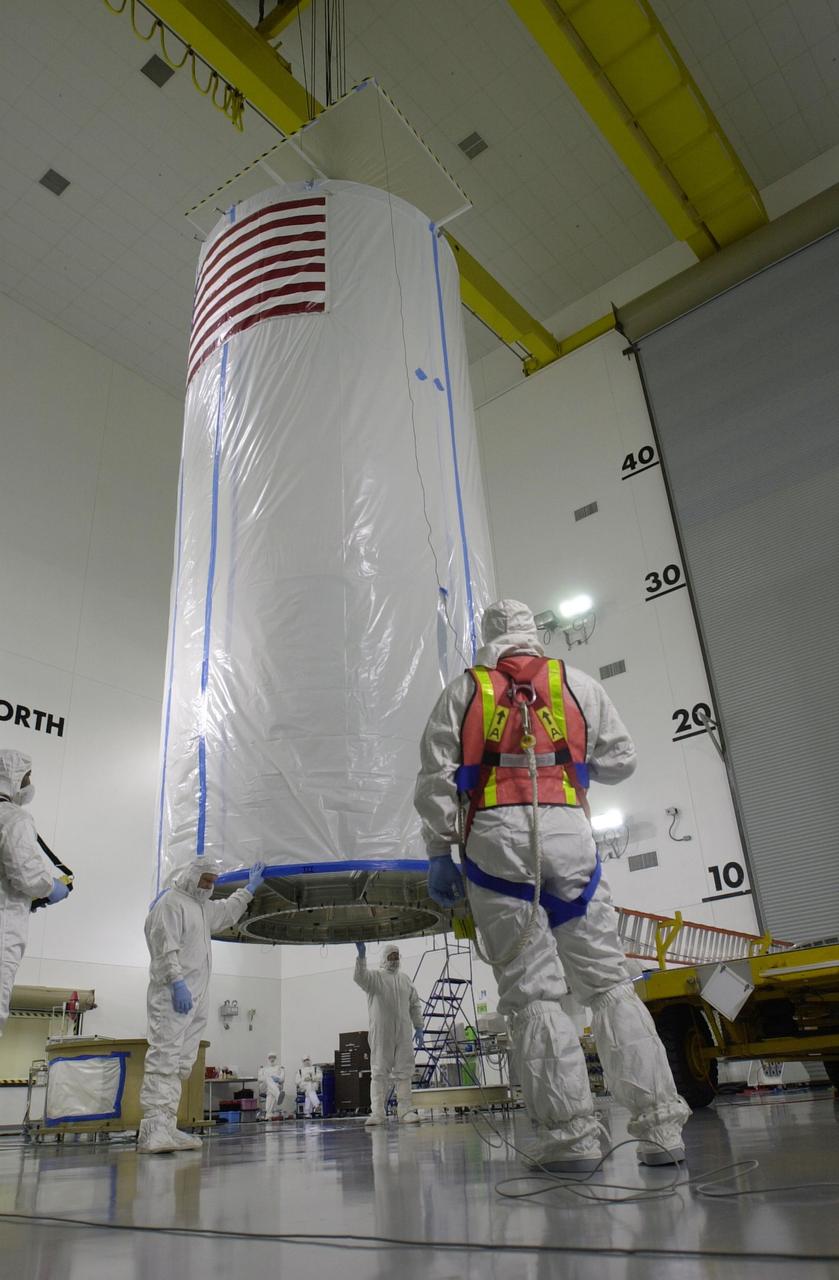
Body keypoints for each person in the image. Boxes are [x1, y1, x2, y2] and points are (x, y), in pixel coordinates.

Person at [414, 599, 690, 1172]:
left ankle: (570, 1140)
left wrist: (440, 852)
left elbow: (436, 779)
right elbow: (622, 762)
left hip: (497, 847)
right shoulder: (577, 685)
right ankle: (661, 1129)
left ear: (488, 638)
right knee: (609, 984)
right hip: (571, 839)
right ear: (533, 634)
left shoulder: (465, 691)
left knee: (534, 995)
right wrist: (567, 763)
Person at [138, 857, 266, 1154]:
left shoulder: (202, 908)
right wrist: (175, 981)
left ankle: (167, 1125)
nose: (208, 886)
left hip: (196, 996)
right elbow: (163, 946)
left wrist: (248, 889)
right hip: (173, 994)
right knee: (164, 1058)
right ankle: (152, 1128)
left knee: (182, 1062)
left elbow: (226, 913)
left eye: (212, 881)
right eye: (204, 879)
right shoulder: (171, 903)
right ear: (190, 876)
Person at [0, 750, 69, 1036]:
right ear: (13, 778)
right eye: (27, 776)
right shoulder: (15, 820)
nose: (30, 783)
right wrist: (50, 887)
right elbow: (27, 874)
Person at [354, 941, 425, 1126]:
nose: (394, 960)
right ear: (384, 958)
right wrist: (361, 956)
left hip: (403, 1032)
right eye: (391, 956)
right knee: (378, 1072)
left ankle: (405, 1110)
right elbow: (360, 977)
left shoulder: (405, 979)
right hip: (381, 1033)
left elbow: (415, 1004)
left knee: (405, 1072)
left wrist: (419, 1027)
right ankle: (377, 1113)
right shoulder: (375, 978)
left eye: (396, 956)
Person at [259, 1051, 285, 1120]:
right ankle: (278, 1095)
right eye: (270, 1058)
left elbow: (282, 1079)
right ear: (268, 1059)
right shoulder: (264, 1069)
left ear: (276, 1058)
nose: (272, 1059)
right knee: (268, 1079)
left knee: (270, 1094)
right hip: (265, 1086)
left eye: (273, 1058)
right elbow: (260, 1079)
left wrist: (276, 1079)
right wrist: (270, 1078)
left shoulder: (280, 1068)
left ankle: (268, 1114)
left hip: (275, 1086)